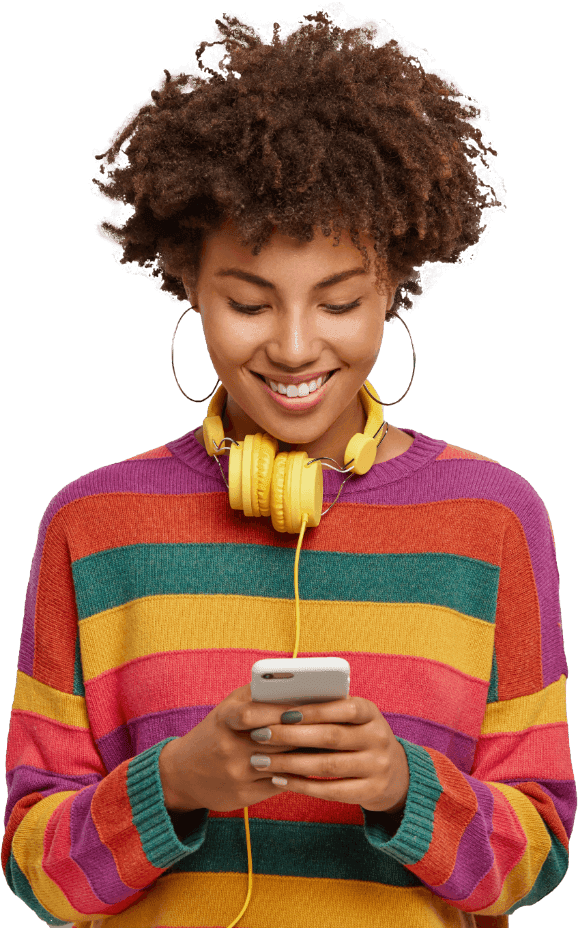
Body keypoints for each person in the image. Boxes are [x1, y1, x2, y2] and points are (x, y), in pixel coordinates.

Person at [2, 8, 575, 928]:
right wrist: (178, 784)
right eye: (249, 301)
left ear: (396, 283)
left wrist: (403, 789)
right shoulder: (92, 523)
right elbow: (36, 874)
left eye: (342, 300)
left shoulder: (495, 518)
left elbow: (539, 857)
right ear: (189, 279)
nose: (297, 346)